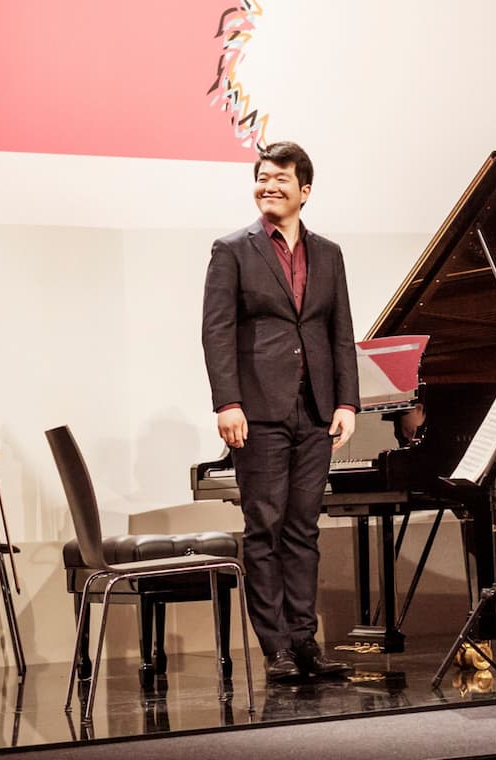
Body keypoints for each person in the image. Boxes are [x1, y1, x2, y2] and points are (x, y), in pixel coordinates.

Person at [201, 140, 359, 683]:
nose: (269, 186)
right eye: (262, 177)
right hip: (259, 410)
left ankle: (305, 640)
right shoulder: (232, 249)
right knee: (264, 526)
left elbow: (340, 331)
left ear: (304, 191)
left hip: (314, 409)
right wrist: (227, 401)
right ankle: (277, 649)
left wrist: (346, 400)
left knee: (303, 529)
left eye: (280, 179)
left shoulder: (329, 253)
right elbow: (217, 332)